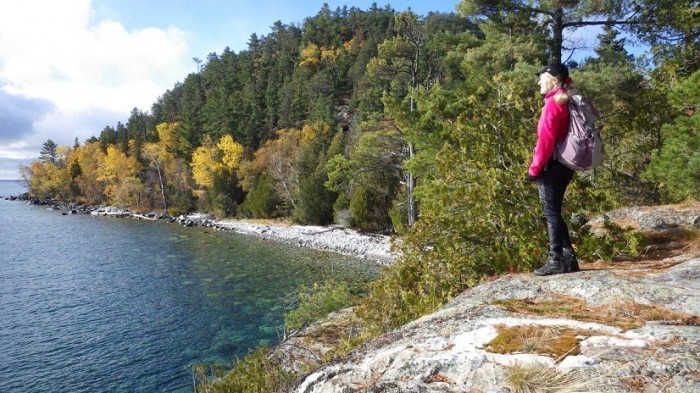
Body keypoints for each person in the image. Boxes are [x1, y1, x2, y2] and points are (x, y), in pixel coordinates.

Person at [527, 63, 579, 276]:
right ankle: (569, 259)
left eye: (542, 77)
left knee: (550, 212)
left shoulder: (553, 104)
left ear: (555, 79)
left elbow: (546, 140)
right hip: (565, 164)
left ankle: (556, 260)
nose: (539, 81)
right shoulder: (564, 100)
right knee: (555, 211)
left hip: (553, 164)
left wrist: (534, 168)